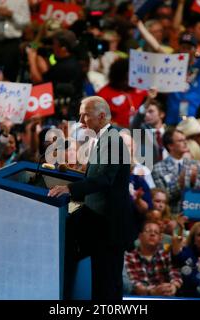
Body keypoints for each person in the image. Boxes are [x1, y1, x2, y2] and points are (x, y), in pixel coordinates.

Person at [48, 96, 131, 300]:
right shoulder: (103, 138)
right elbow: (98, 175)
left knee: (107, 282)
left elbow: (104, 179)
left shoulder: (112, 140)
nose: (80, 120)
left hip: (108, 225)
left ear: (101, 116)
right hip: (97, 221)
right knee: (101, 280)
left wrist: (69, 189)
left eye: (84, 114)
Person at [124, 221, 182, 297]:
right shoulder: (129, 257)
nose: (152, 234)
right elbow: (133, 283)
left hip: (167, 296)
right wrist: (151, 292)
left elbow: (175, 274)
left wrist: (173, 287)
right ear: (140, 236)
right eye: (148, 231)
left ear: (160, 238)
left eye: (156, 232)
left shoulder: (166, 254)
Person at [152, 128, 200, 214]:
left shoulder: (197, 165)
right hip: (171, 216)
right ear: (170, 146)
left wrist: (193, 183)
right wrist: (179, 183)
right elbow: (164, 198)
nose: (185, 143)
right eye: (180, 141)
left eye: (185, 140)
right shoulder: (158, 168)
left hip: (194, 214)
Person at [0, 0, 30, 81]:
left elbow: (25, 22)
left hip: (11, 44)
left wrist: (12, 15)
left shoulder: (22, 1)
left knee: (10, 75)